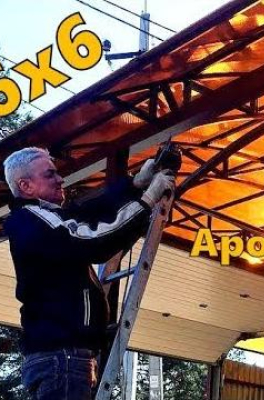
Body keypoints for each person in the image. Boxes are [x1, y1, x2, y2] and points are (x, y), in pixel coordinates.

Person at [2, 147, 174, 400]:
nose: (60, 179)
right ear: (25, 186)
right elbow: (92, 241)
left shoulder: (48, 217)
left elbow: (91, 211)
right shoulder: (32, 219)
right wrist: (146, 201)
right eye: (50, 174)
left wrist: (135, 184)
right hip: (63, 357)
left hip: (64, 358)